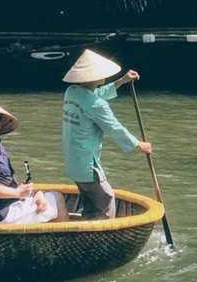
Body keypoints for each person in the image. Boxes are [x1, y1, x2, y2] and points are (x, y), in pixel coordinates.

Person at [62, 50, 152, 219]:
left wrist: (122, 81)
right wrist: (138, 144)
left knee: (91, 201)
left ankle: (87, 225)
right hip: (86, 164)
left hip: (73, 161)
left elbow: (93, 96)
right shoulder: (97, 105)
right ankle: (101, 233)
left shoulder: (71, 92)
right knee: (106, 200)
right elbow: (114, 128)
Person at [0, 99, 65, 225]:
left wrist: (33, 194)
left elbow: (8, 181)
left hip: (5, 207)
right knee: (57, 199)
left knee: (48, 197)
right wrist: (18, 193)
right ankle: (65, 239)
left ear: (2, 122)